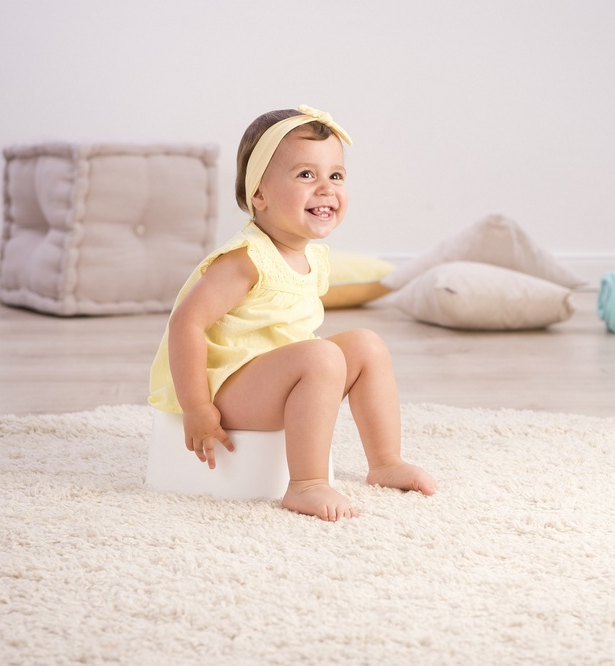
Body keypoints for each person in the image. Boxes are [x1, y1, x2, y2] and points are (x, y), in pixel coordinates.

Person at [149, 105, 435, 521]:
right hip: (224, 389)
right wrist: (197, 407)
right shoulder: (245, 259)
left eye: (335, 175)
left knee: (366, 345)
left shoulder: (312, 257)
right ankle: (306, 484)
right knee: (320, 355)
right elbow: (186, 323)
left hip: (276, 381)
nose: (325, 189)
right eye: (305, 175)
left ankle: (386, 461)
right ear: (259, 195)